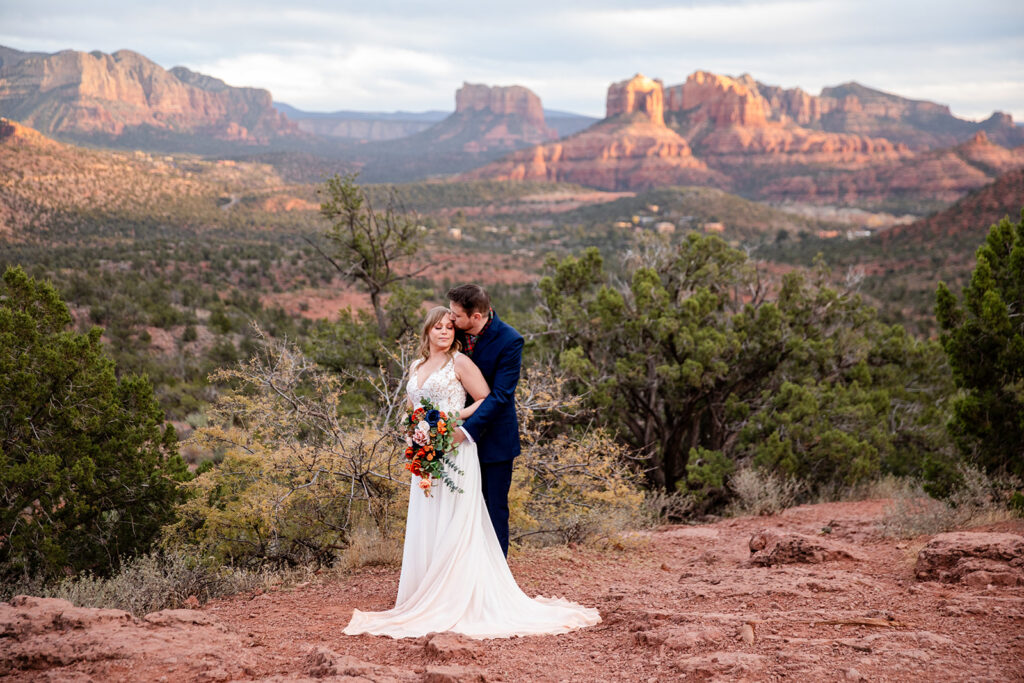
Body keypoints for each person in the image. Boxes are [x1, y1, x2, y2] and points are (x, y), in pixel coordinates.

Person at [343, 305, 600, 639]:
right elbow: (412, 408)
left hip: (456, 448)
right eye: (438, 327)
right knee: (429, 516)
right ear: (427, 332)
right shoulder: (416, 365)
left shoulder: (460, 362)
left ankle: (457, 594)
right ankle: (425, 588)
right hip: (426, 451)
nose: (445, 332)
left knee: (457, 518)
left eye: (450, 327)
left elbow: (487, 398)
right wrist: (416, 432)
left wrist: (451, 420)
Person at [446, 284, 520, 557]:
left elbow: (500, 397)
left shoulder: (510, 340)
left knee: (494, 508)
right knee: (458, 506)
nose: (450, 319)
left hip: (494, 439)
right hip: (451, 436)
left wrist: (466, 431)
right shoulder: (453, 333)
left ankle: (495, 574)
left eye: (456, 315)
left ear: (476, 316)